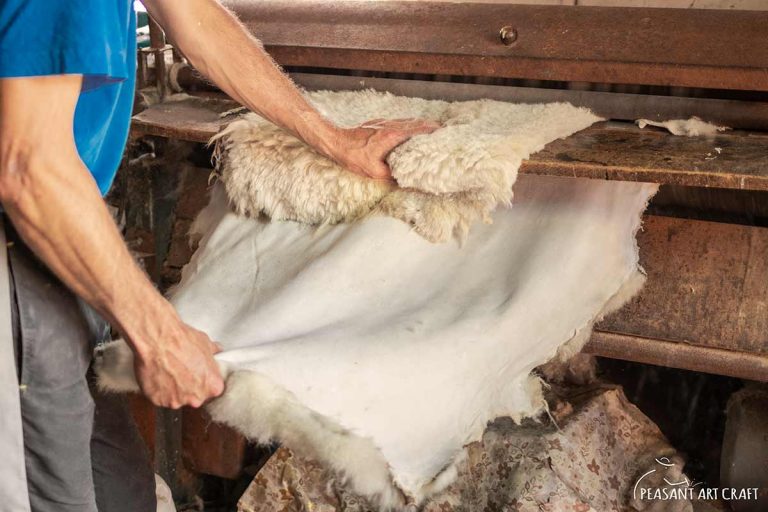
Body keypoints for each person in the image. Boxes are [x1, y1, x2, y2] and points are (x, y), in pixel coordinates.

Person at [0, 1, 438, 510]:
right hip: (21, 238)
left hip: (55, 240)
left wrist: (334, 139)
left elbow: (193, 16)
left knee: (122, 493)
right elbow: (28, 170)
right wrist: (158, 336)